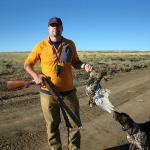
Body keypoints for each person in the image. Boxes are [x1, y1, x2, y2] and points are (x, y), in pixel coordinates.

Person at [24, 17, 93, 150]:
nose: (55, 27)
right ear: (48, 28)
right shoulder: (40, 45)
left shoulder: (70, 44)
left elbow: (76, 62)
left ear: (62, 28)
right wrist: (35, 75)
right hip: (47, 93)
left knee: (74, 125)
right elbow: (28, 64)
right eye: (52, 25)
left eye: (57, 25)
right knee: (52, 126)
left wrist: (84, 65)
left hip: (68, 94)